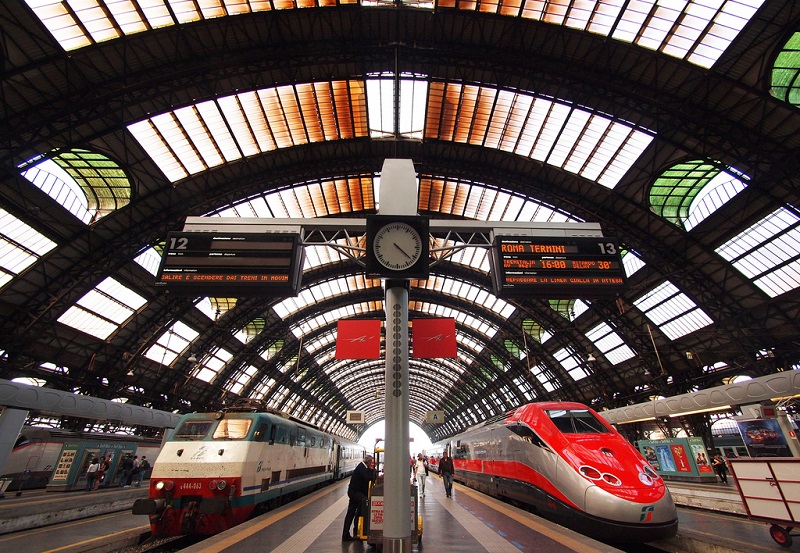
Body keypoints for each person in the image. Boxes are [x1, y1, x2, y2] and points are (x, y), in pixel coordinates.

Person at [342, 455, 376, 541]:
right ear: (368, 462)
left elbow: (368, 474)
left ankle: (349, 533)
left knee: (352, 512)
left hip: (355, 492)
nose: (372, 464)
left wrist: (374, 471)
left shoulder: (362, 467)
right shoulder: (361, 467)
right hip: (354, 492)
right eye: (371, 462)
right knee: (364, 502)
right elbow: (367, 477)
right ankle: (356, 530)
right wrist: (374, 474)